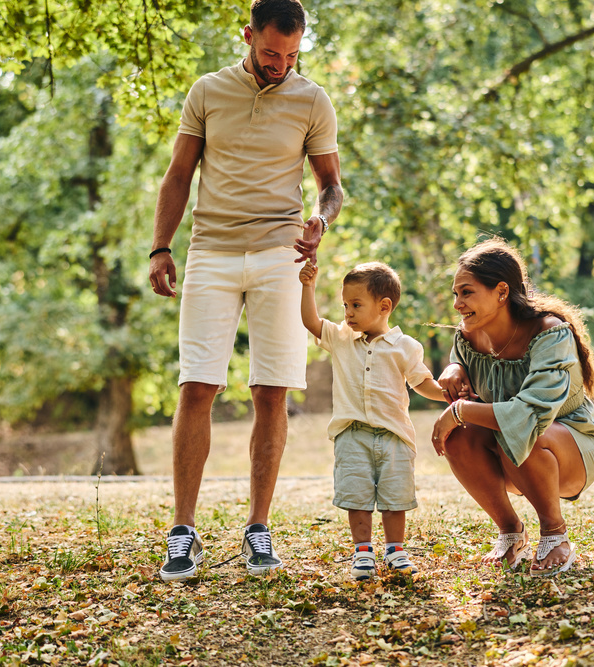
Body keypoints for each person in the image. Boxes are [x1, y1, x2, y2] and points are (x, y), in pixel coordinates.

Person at [148, 0, 343, 582]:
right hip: (211, 250)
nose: (281, 64)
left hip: (281, 254)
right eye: (269, 53)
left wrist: (322, 223)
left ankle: (258, 528)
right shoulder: (207, 91)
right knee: (198, 385)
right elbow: (179, 174)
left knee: (271, 390)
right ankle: (182, 531)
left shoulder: (313, 100)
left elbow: (331, 185)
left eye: (291, 55)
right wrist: (161, 247)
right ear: (248, 36)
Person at [431, 238, 594, 577]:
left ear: (500, 291)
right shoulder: (468, 336)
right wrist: (455, 368)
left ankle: (555, 535)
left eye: (466, 293)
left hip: (569, 450)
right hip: (511, 453)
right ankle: (511, 531)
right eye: (455, 294)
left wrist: (459, 412)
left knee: (520, 428)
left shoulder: (550, 333)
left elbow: (529, 415)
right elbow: (462, 367)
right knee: (459, 438)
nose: (457, 304)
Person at [300, 261, 444, 580]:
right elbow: (311, 321)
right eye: (345, 305)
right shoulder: (340, 337)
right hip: (352, 435)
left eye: (355, 305)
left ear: (384, 306)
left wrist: (449, 396)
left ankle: (396, 550)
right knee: (358, 495)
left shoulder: (405, 346)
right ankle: (362, 552)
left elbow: (421, 381)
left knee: (396, 497)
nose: (348, 312)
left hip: (395, 436)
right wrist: (307, 286)